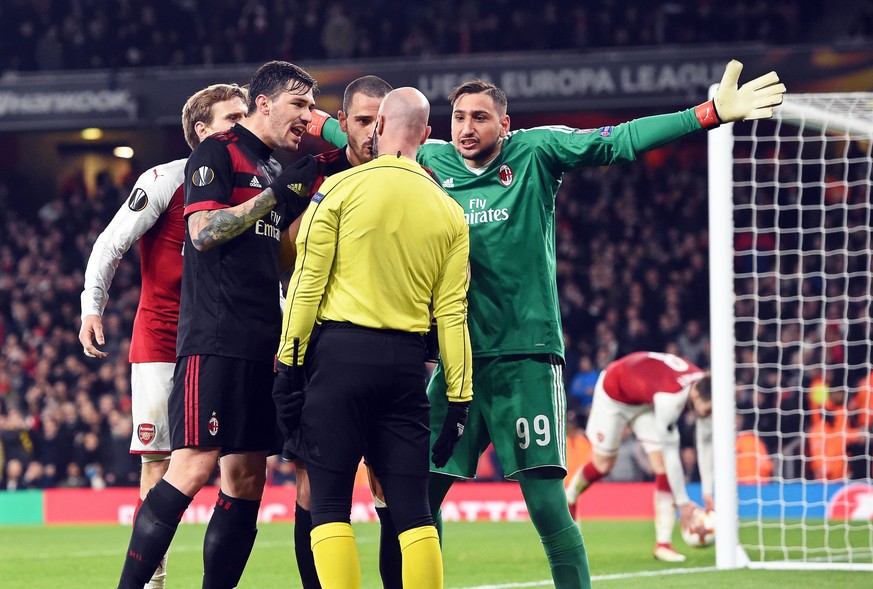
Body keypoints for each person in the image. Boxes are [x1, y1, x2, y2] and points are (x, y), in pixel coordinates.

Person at [308, 60, 785, 588]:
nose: (467, 128)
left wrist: (709, 113)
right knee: (411, 503)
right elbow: (367, 138)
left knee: (547, 508)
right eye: (459, 117)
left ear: (504, 126)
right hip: (457, 364)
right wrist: (314, 121)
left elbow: (619, 140)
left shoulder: (535, 153)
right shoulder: (429, 161)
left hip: (524, 361)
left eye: (481, 118)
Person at [116, 60, 320, 589]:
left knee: (248, 478)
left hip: (262, 341)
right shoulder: (215, 151)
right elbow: (204, 233)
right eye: (299, 104)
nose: (308, 115)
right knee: (192, 464)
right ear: (264, 103)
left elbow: (270, 259)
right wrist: (278, 197)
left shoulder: (274, 166)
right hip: (215, 337)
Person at [272, 87, 472, 589]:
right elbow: (451, 315)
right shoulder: (448, 209)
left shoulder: (337, 191)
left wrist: (287, 370)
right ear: (427, 135)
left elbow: (304, 288)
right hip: (405, 368)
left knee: (331, 506)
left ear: (379, 125)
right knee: (414, 514)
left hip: (339, 361)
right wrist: (460, 400)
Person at [79, 82, 247, 589]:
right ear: (202, 130)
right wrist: (92, 307)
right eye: (231, 117)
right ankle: (152, 582)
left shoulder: (254, 179)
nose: (243, 125)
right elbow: (110, 244)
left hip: (228, 341)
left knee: (238, 464)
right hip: (163, 341)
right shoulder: (164, 180)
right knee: (159, 464)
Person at [287, 74, 394, 589]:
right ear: (344, 123)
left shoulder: (412, 176)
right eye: (362, 120)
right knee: (314, 483)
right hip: (320, 351)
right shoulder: (314, 174)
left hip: (394, 347)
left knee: (390, 482)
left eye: (382, 120)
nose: (373, 131)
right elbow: (285, 254)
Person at [564, 351, 713, 562]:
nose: (708, 416)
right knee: (603, 465)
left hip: (644, 402)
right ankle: (570, 495)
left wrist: (707, 493)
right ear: (696, 395)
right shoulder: (670, 400)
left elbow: (706, 442)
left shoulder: (705, 387)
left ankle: (663, 544)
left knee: (660, 466)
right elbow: (673, 455)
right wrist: (683, 503)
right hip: (614, 393)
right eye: (706, 411)